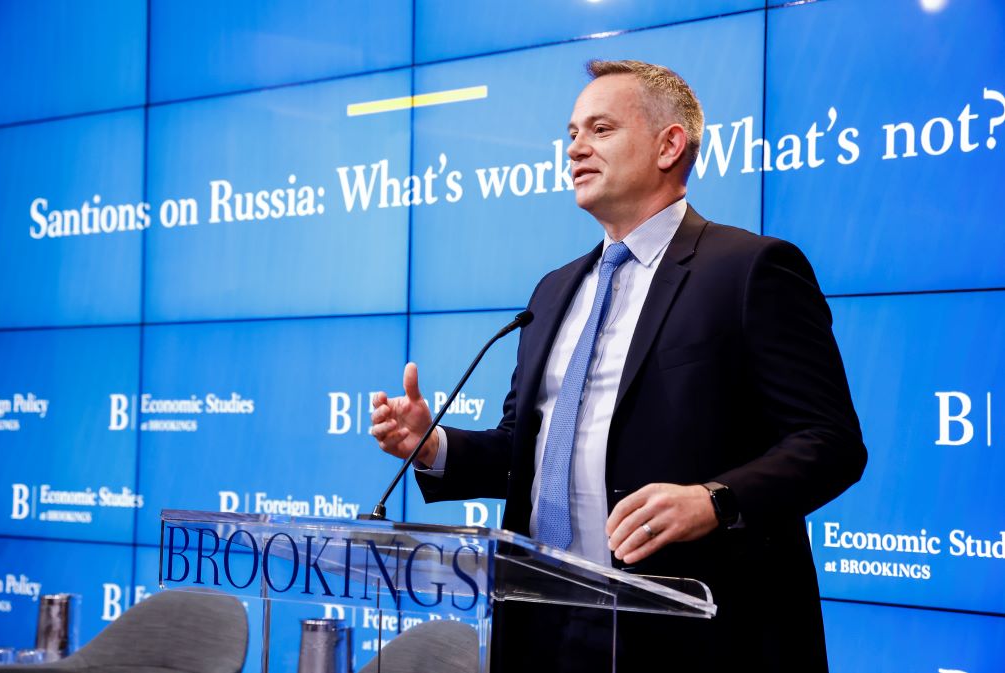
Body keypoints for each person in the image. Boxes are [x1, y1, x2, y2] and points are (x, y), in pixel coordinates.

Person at [370, 59, 866, 672]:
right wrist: (434, 446)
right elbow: (529, 453)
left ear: (669, 145)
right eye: (572, 133)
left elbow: (831, 443)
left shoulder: (750, 270)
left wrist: (714, 500)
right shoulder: (554, 290)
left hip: (695, 631)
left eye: (600, 129)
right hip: (543, 619)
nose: (575, 148)